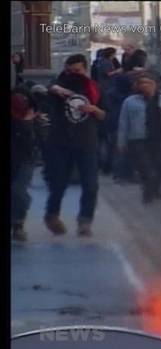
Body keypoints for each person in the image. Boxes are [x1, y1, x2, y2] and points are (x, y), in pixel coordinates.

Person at [44, 54, 106, 237]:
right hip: (60, 142)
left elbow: (105, 115)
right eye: (70, 71)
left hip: (86, 142)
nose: (73, 74)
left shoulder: (94, 89)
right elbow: (46, 90)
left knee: (90, 184)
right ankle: (52, 215)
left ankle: (85, 221)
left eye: (77, 71)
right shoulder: (58, 86)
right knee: (58, 183)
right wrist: (54, 88)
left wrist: (94, 110)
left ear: (85, 69)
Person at [118, 72, 161, 204]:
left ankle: (156, 188)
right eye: (142, 83)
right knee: (147, 169)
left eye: (148, 83)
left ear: (155, 85)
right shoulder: (130, 102)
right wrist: (121, 141)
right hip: (138, 140)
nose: (145, 86)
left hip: (159, 139)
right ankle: (148, 194)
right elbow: (124, 122)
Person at [11, 87, 48, 241]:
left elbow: (38, 141)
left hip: (26, 159)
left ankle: (18, 224)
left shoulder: (34, 119)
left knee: (18, 191)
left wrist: (28, 124)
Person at [109, 49, 148, 183]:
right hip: (122, 115)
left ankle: (125, 173)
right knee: (122, 146)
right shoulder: (125, 83)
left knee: (126, 146)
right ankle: (122, 174)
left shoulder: (124, 78)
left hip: (126, 117)